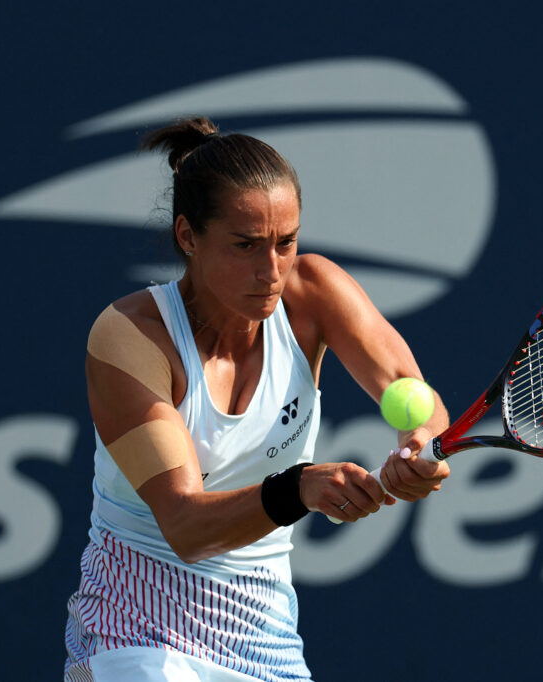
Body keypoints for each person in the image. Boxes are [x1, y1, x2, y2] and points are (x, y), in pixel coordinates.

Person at [63, 116, 451, 681]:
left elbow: (409, 390)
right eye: (245, 246)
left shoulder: (314, 293)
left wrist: (422, 445)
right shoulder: (132, 335)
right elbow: (185, 526)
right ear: (188, 237)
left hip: (264, 634)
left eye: (285, 243)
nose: (271, 270)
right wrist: (299, 488)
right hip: (133, 627)